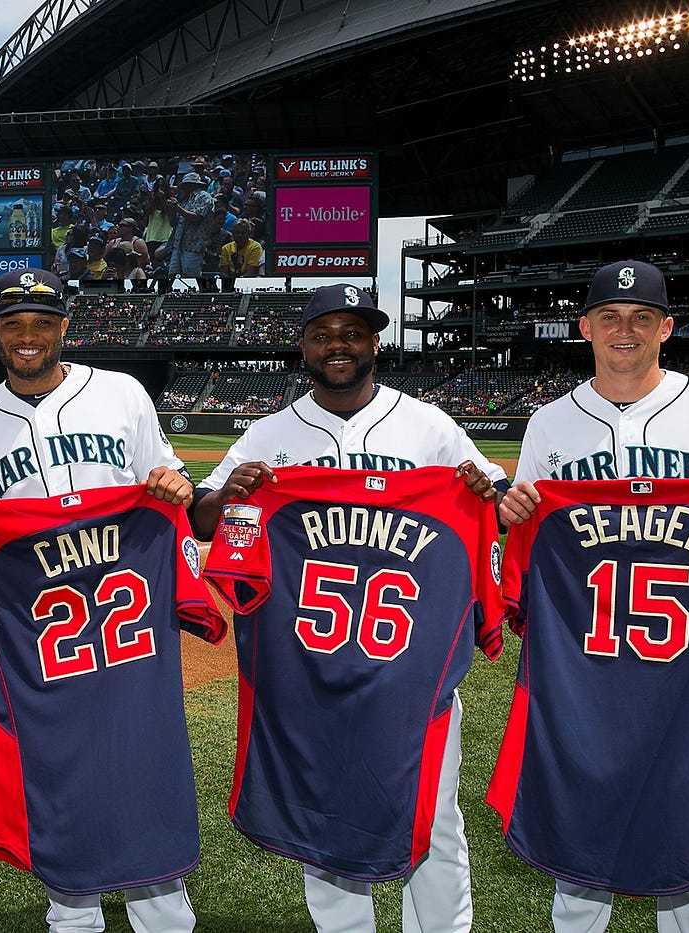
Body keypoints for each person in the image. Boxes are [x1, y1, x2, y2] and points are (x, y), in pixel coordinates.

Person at [190, 283, 506, 933]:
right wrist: (231, 496)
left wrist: (487, 489)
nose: (339, 344)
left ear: (374, 344)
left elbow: (495, 504)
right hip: (310, 672)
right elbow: (201, 517)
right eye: (324, 333)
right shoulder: (271, 433)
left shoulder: (429, 426)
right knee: (324, 811)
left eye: (354, 332)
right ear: (303, 345)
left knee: (434, 817)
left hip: (406, 673)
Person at [496, 259, 689, 933]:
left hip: (685, 671)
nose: (624, 330)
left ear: (667, 328)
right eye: (609, 317)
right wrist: (515, 512)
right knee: (579, 860)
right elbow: (528, 534)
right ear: (584, 327)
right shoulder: (549, 422)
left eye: (641, 318)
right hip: (584, 672)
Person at [0, 268, 200, 933]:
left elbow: (163, 477)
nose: (27, 337)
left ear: (64, 326)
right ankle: (71, 912)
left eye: (40, 323)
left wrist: (172, 484)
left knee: (146, 781)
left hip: (129, 636)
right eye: (12, 325)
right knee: (59, 787)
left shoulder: (121, 395)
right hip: (42, 645)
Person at [164, 173, 213, 289]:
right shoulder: (185, 200)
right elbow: (173, 223)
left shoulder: (204, 196)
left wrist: (177, 208)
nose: (182, 190)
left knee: (191, 277)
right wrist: (171, 209)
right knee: (173, 275)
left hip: (194, 245)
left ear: (191, 185)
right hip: (178, 245)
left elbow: (196, 218)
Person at [217, 219, 262, 292]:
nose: (239, 235)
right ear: (233, 234)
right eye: (237, 233)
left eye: (242, 233)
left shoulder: (255, 247)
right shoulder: (226, 248)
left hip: (248, 283)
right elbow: (224, 271)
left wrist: (238, 283)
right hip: (229, 282)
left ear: (248, 234)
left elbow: (251, 271)